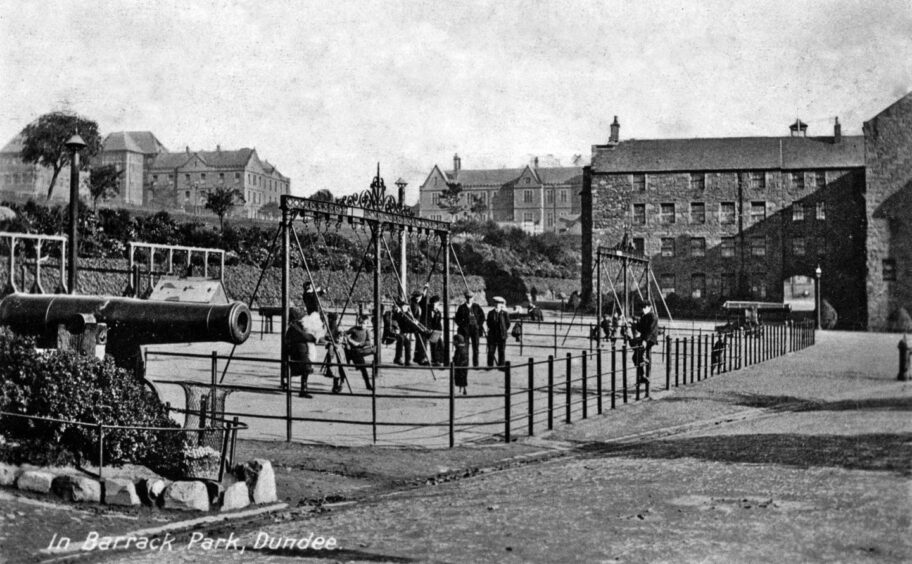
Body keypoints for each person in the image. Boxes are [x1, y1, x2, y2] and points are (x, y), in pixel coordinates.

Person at [285, 307, 315, 398]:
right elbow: (304, 336)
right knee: (305, 368)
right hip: (298, 352)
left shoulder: (295, 327)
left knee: (304, 369)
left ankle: (303, 388)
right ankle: (303, 390)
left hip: (300, 351)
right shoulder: (295, 328)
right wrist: (313, 337)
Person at [342, 314, 374, 391]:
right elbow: (344, 334)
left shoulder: (367, 331)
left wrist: (359, 344)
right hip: (349, 351)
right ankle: (340, 384)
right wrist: (347, 340)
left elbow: (369, 342)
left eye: (365, 323)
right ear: (359, 322)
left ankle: (368, 384)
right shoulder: (354, 329)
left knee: (363, 368)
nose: (363, 325)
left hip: (358, 351)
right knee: (342, 367)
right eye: (362, 323)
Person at [455, 290, 486, 367]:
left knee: (476, 348)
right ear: (465, 298)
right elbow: (457, 319)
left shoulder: (477, 306)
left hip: (475, 330)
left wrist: (479, 325)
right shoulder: (461, 307)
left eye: (471, 297)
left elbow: (482, 317)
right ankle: (466, 364)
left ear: (473, 298)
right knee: (465, 348)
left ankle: (476, 364)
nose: (469, 299)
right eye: (467, 297)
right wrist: (462, 325)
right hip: (465, 330)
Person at [632, 303, 659, 385]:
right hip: (645, 338)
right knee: (635, 357)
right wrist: (635, 324)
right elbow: (641, 329)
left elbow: (650, 330)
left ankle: (645, 361)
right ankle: (642, 375)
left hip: (650, 339)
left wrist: (645, 340)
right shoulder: (644, 316)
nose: (643, 309)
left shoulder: (653, 316)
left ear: (649, 307)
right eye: (642, 307)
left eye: (645, 307)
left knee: (638, 356)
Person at [486, 296, 511, 368]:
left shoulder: (505, 313)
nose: (497, 304)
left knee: (501, 351)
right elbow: (488, 323)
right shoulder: (490, 313)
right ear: (494, 304)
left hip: (501, 335)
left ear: (501, 304)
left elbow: (508, 324)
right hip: (492, 335)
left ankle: (501, 365)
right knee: (491, 351)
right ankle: (490, 366)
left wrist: (503, 330)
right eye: (496, 303)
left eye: (499, 303)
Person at [411, 289, 430, 366]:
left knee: (422, 341)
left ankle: (419, 357)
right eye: (415, 296)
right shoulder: (412, 303)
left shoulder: (419, 302)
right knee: (421, 340)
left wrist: (425, 290)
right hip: (415, 324)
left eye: (418, 296)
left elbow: (425, 300)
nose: (417, 298)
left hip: (419, 324)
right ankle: (421, 358)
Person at [427, 295, 445, 367]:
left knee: (441, 344)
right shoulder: (428, 311)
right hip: (430, 330)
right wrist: (430, 329)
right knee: (434, 344)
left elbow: (438, 323)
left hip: (436, 331)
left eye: (436, 303)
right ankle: (435, 360)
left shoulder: (438, 312)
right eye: (434, 303)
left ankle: (441, 359)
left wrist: (440, 331)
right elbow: (427, 321)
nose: (435, 305)